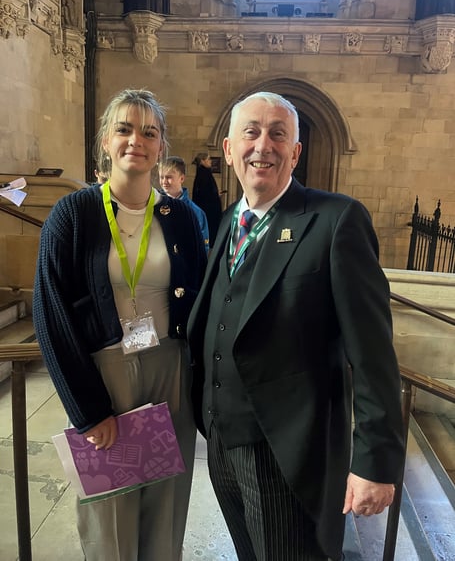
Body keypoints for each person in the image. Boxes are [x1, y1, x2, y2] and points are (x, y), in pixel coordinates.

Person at [187, 91, 405, 561]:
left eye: (277, 134)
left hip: (287, 450)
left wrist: (375, 462)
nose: (262, 145)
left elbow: (372, 352)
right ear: (228, 150)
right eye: (250, 132)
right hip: (223, 441)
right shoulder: (228, 220)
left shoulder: (335, 220)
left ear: (295, 152)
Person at [33, 88, 207, 561]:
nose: (137, 140)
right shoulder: (74, 214)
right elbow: (51, 313)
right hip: (105, 374)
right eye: (125, 129)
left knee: (167, 505)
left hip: (170, 369)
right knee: (109, 511)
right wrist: (87, 409)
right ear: (106, 142)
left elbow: (202, 302)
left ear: (161, 144)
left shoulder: (184, 217)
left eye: (149, 131)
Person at [159, 155, 210, 253]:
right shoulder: (153, 206)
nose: (164, 182)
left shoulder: (195, 212)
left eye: (169, 177)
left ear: (181, 178)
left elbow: (202, 248)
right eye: (161, 177)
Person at [192, 152, 223, 247]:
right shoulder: (204, 174)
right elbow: (205, 196)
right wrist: (215, 196)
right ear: (202, 161)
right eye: (208, 159)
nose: (210, 161)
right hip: (208, 212)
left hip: (207, 209)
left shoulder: (203, 173)